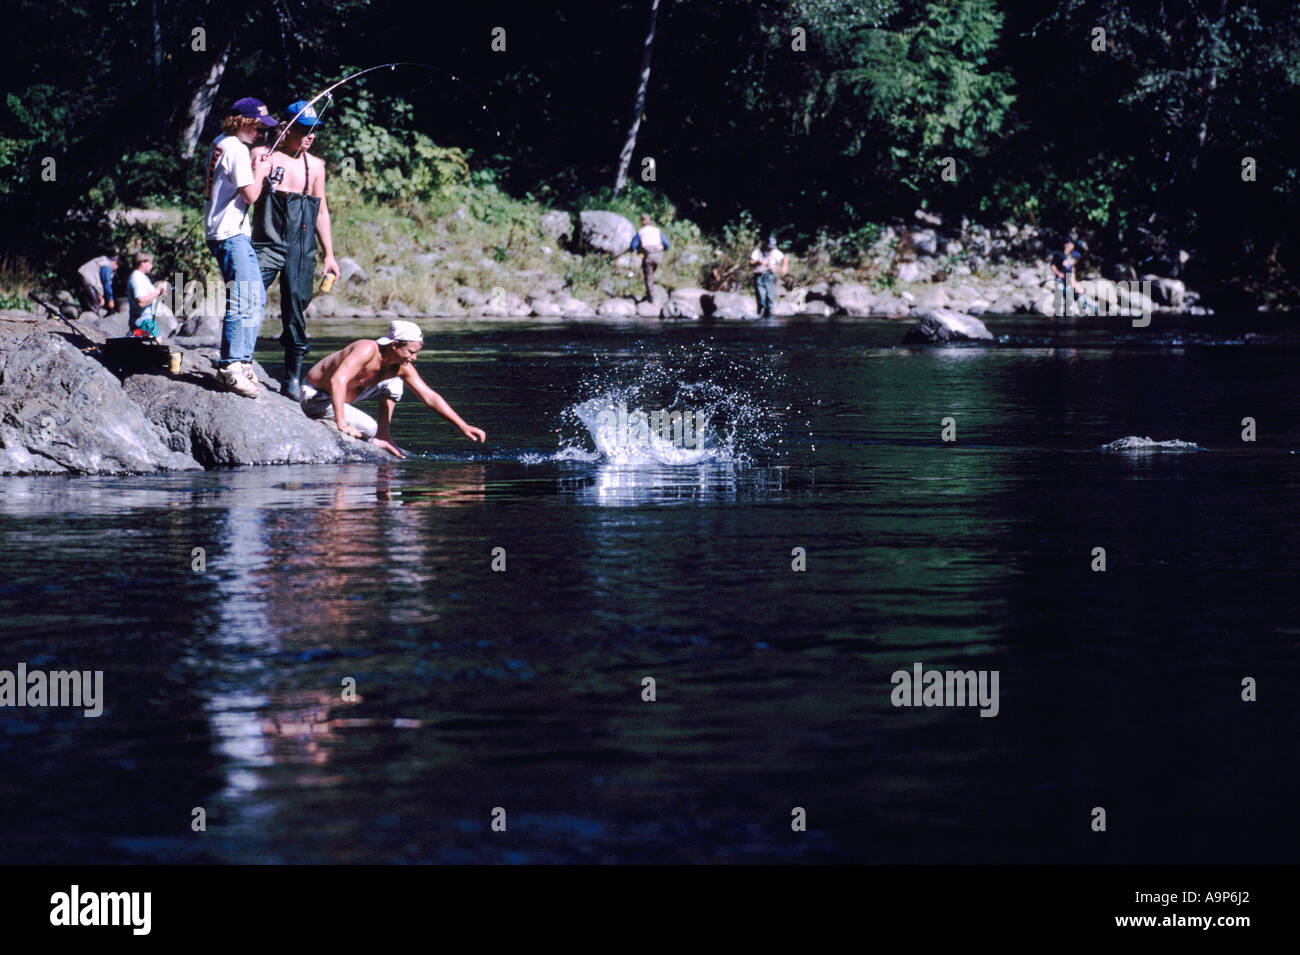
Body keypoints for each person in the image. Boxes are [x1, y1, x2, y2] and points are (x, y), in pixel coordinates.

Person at [253, 98, 341, 400]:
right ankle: (239, 359)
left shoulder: (316, 165)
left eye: (314, 129)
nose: (310, 135)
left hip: (302, 244)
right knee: (249, 293)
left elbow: (321, 211)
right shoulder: (265, 157)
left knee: (295, 309)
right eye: (304, 129)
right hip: (267, 239)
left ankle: (291, 377)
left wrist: (329, 255)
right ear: (286, 128)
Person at [299, 320, 486, 458]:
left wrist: (463, 425)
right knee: (369, 428)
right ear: (395, 344)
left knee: (395, 382)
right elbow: (338, 381)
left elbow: (429, 396)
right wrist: (342, 423)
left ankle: (384, 436)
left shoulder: (400, 366)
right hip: (317, 396)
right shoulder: (366, 349)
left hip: (343, 395)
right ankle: (376, 434)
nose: (414, 358)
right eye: (411, 352)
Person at [204, 97, 276, 398]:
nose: (261, 134)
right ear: (244, 123)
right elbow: (251, 195)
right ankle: (230, 366)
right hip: (229, 233)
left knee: (256, 296)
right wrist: (261, 170)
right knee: (243, 297)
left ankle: (244, 361)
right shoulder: (235, 148)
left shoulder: (221, 143)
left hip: (230, 232)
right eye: (259, 128)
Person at [126, 252, 169, 337]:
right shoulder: (137, 278)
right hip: (143, 320)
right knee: (157, 344)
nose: (152, 266)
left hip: (146, 319)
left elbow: (150, 296)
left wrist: (160, 290)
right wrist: (157, 292)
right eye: (150, 263)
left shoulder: (143, 278)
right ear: (142, 262)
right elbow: (141, 302)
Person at [628, 213, 669, 302]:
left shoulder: (640, 232)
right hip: (658, 256)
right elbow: (666, 244)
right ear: (650, 222)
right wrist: (664, 249)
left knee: (648, 275)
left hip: (648, 256)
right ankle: (652, 290)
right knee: (651, 273)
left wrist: (632, 250)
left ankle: (650, 296)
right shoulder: (657, 231)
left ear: (642, 223)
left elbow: (633, 246)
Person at [749, 234, 788, 318]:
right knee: (761, 296)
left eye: (772, 246)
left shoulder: (775, 252)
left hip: (769, 276)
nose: (771, 248)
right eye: (769, 246)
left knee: (770, 296)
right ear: (765, 244)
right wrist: (757, 263)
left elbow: (784, 258)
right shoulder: (757, 252)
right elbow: (750, 262)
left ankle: (768, 314)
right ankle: (760, 312)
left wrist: (784, 267)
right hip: (758, 276)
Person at [1049, 239, 1081, 315]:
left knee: (1069, 297)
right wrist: (1058, 273)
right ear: (1065, 245)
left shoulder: (1072, 255)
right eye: (1070, 244)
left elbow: (1073, 268)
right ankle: (1058, 313)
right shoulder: (1059, 254)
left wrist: (1074, 282)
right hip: (1060, 278)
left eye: (1072, 245)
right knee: (1059, 295)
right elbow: (1052, 265)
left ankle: (1068, 314)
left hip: (1068, 278)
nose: (1071, 246)